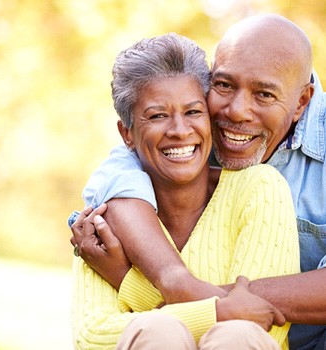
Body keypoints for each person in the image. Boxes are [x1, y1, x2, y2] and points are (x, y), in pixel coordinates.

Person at [71, 13, 326, 350]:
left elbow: (247, 329)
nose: (236, 111)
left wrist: (133, 280)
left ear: (301, 102)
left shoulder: (260, 187)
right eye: (224, 85)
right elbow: (119, 170)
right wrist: (200, 297)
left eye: (264, 94)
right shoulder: (167, 152)